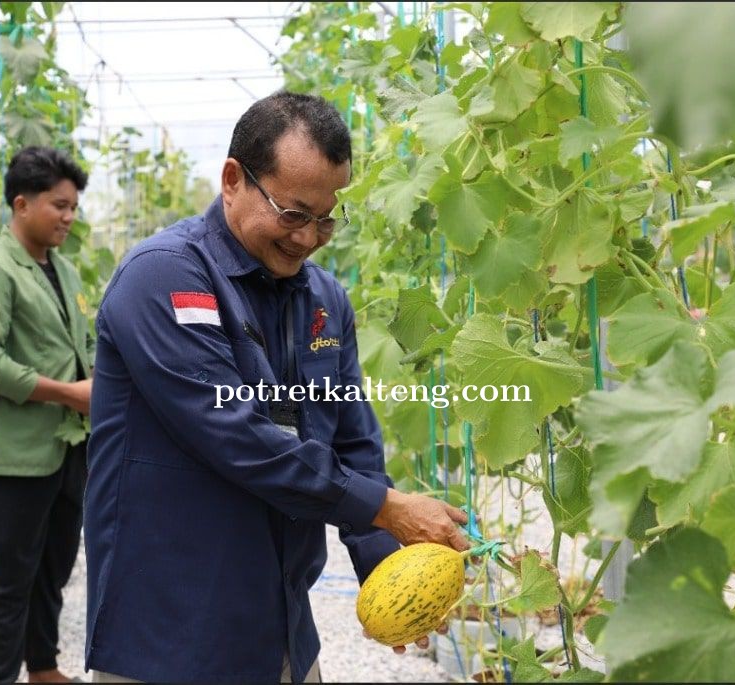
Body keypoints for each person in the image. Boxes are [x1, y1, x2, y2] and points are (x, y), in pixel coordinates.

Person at [83, 91, 471, 684]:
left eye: (327, 219)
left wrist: (387, 565)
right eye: (294, 214)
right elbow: (234, 433)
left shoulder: (323, 299)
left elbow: (351, 439)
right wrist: (389, 509)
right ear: (233, 179)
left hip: (281, 623)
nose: (309, 238)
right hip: (171, 630)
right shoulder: (164, 277)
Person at [0, 146, 94, 684]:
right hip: (14, 457)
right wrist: (68, 393)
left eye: (73, 207)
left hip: (65, 448)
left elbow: (80, 344)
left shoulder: (64, 270)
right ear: (21, 204)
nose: (68, 217)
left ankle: (42, 668)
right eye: (58, 205)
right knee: (8, 580)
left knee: (52, 571)